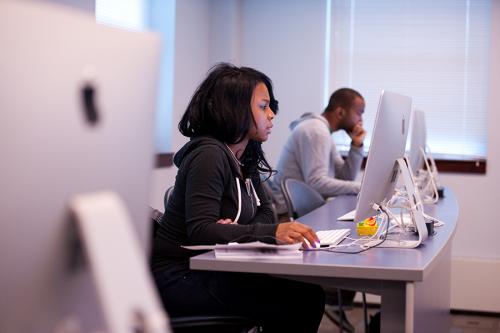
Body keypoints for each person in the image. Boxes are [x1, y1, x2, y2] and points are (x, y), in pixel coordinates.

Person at [150, 63, 325, 332]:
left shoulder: (246, 155)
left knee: (307, 295)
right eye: (264, 106)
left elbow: (267, 212)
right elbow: (200, 231)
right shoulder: (208, 155)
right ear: (235, 108)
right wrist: (268, 232)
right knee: (302, 299)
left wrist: (237, 230)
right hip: (179, 275)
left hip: (213, 266)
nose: (273, 115)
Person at [268, 88, 367, 219]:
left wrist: (356, 146)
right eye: (359, 113)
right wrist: (361, 188)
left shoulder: (323, 131)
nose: (361, 120)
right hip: (289, 216)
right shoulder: (316, 131)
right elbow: (316, 182)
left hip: (306, 209)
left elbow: (345, 177)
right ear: (340, 112)